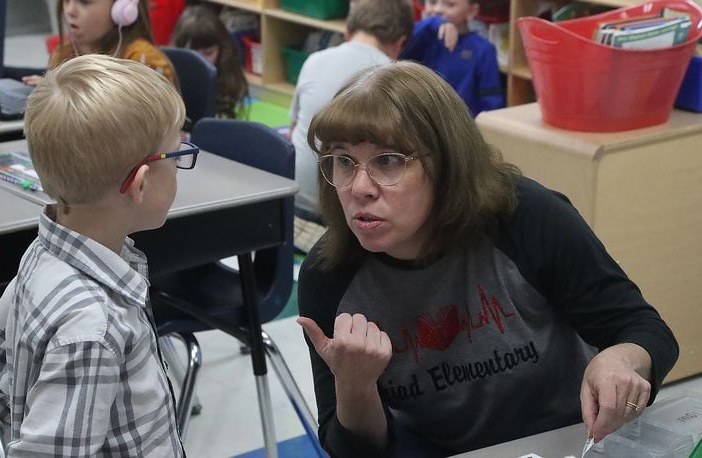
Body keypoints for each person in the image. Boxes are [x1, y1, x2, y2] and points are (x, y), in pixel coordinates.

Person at [296, 61, 678, 456]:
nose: (359, 188)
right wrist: (355, 386)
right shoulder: (329, 274)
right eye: (343, 161)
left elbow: (644, 329)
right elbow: (353, 450)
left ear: (445, 165)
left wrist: (622, 358)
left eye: (388, 161)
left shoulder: (523, 216)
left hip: (570, 443)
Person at [0, 54, 194, 456]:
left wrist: (27, 409)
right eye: (178, 155)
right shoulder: (94, 324)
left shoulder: (43, 253)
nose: (181, 167)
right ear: (140, 184)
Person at [289, 0, 414, 241]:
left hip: (290, 202)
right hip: (335, 220)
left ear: (348, 31)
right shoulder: (393, 82)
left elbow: (293, 130)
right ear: (400, 44)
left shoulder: (315, 59)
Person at [23, 0, 178, 88]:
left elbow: (149, 130)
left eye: (84, 2)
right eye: (67, 0)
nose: (69, 10)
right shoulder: (64, 54)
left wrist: (66, 94)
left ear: (122, 8)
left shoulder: (142, 60)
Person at [402, 0, 504, 117]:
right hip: (424, 124)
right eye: (432, 2)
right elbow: (403, 38)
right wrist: (435, 22)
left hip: (461, 128)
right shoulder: (424, 37)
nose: (437, 10)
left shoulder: (483, 49)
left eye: (450, 4)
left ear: (471, 11)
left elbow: (492, 102)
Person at [172, 5, 249, 119]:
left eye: (208, 53)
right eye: (194, 53)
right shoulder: (171, 70)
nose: (202, 60)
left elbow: (224, 118)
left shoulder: (226, 74)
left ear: (221, 49)